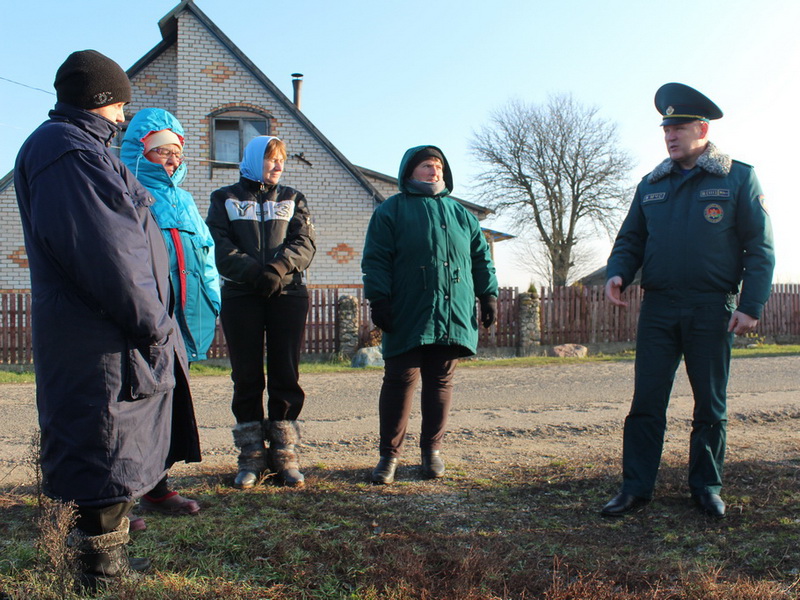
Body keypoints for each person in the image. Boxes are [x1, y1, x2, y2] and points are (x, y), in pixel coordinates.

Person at [14, 50, 201, 587]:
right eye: (120, 104)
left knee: (112, 443)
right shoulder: (68, 151)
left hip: (105, 331)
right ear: (101, 101)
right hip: (99, 336)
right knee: (100, 441)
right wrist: (154, 324)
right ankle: (100, 572)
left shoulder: (80, 149)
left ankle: (105, 557)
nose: (124, 117)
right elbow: (109, 252)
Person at [600, 83, 775, 519]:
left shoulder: (737, 177)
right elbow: (631, 239)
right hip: (658, 308)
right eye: (666, 129)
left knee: (710, 404)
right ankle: (636, 488)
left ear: (702, 128)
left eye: (678, 128)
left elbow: (761, 248)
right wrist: (618, 271)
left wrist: (750, 305)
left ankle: (706, 486)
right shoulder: (651, 185)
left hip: (710, 307)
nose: (670, 136)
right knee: (646, 403)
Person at [361, 145, 498, 485]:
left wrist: (488, 294)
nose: (434, 171)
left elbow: (481, 258)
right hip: (407, 309)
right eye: (426, 165)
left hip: (452, 309)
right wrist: (379, 299)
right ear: (409, 171)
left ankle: (431, 453)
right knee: (399, 380)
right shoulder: (391, 211)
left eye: (438, 166)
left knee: (440, 381)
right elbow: (376, 258)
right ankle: (388, 456)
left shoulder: (461, 214)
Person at [121, 108, 221, 522]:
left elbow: (207, 257)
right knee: (132, 410)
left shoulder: (186, 200)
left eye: (177, 153)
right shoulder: (124, 192)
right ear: (140, 151)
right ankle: (119, 498)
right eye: (163, 152)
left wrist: (213, 301)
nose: (173, 160)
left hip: (180, 325)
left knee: (168, 407)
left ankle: (157, 489)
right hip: (143, 322)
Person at [206, 135, 316, 488]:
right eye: (272, 159)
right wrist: (254, 273)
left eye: (282, 160)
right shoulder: (224, 198)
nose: (278, 166)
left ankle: (285, 454)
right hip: (242, 295)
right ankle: (251, 456)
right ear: (255, 160)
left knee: (286, 372)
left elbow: (305, 242)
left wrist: (279, 269)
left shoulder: (292, 198)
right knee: (247, 375)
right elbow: (218, 245)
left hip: (288, 295)